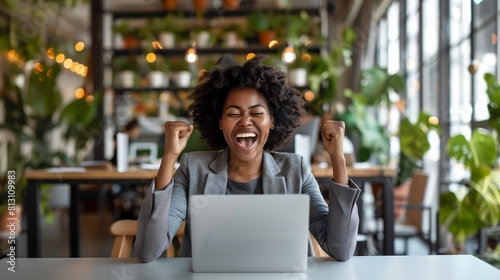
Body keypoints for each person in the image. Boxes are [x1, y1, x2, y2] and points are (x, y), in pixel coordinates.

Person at [134, 54, 361, 263]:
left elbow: (340, 248)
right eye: (233, 113)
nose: (245, 121)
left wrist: (337, 159)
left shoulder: (296, 170)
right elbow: (148, 250)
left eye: (256, 113)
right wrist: (170, 156)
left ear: (272, 121)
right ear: (220, 122)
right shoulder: (194, 168)